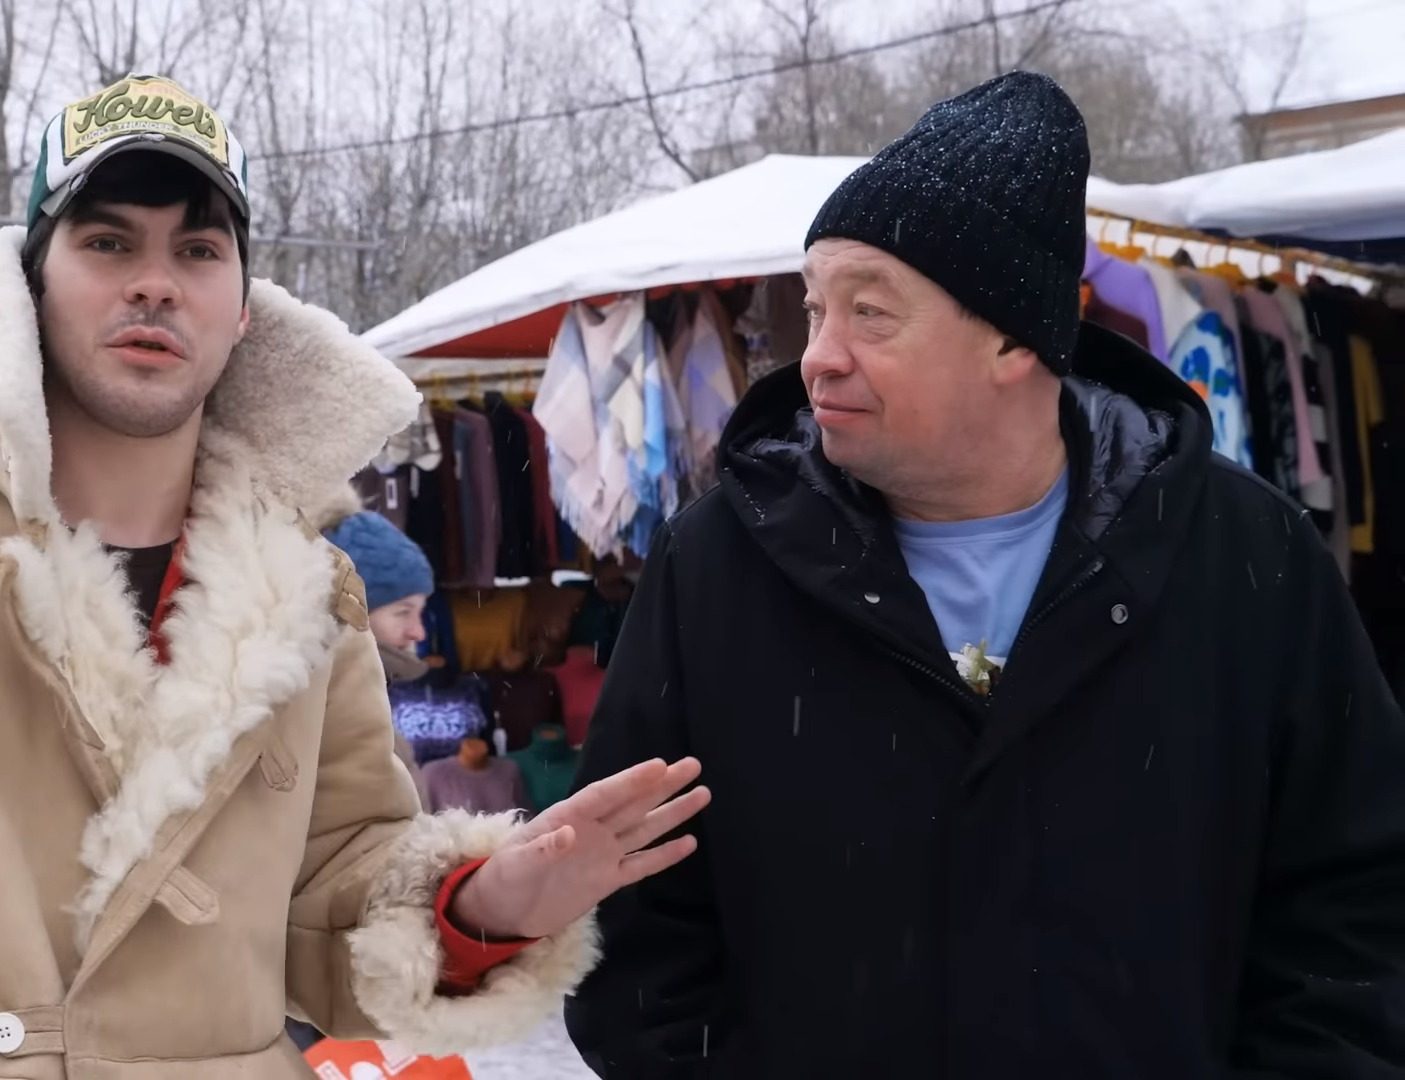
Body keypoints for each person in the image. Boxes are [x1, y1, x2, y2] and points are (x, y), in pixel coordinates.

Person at [0, 73, 708, 1079]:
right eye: (109, 243)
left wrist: (483, 905)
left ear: (242, 308)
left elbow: (332, 894)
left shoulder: (306, 593)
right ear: (31, 280)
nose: (155, 283)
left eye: (197, 251)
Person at [566, 72, 1405, 1077]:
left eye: (870, 314)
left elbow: (1357, 912)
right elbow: (627, 922)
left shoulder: (1244, 557)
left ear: (1013, 337)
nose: (817, 356)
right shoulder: (717, 566)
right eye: (815, 309)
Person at [321, 503, 436, 807]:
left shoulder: (356, 703)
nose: (419, 632)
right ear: (350, 612)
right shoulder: (335, 720)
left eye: (420, 612)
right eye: (403, 612)